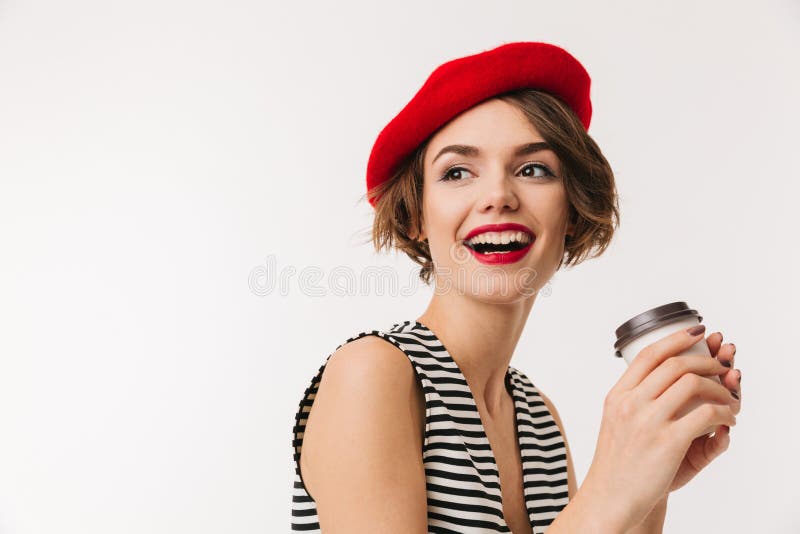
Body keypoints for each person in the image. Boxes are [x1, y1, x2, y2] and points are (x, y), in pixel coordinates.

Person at [290, 41, 742, 533]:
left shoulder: (538, 419)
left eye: (533, 169)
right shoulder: (372, 375)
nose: (498, 196)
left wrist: (647, 488)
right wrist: (612, 487)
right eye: (457, 171)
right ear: (416, 215)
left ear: (571, 208)